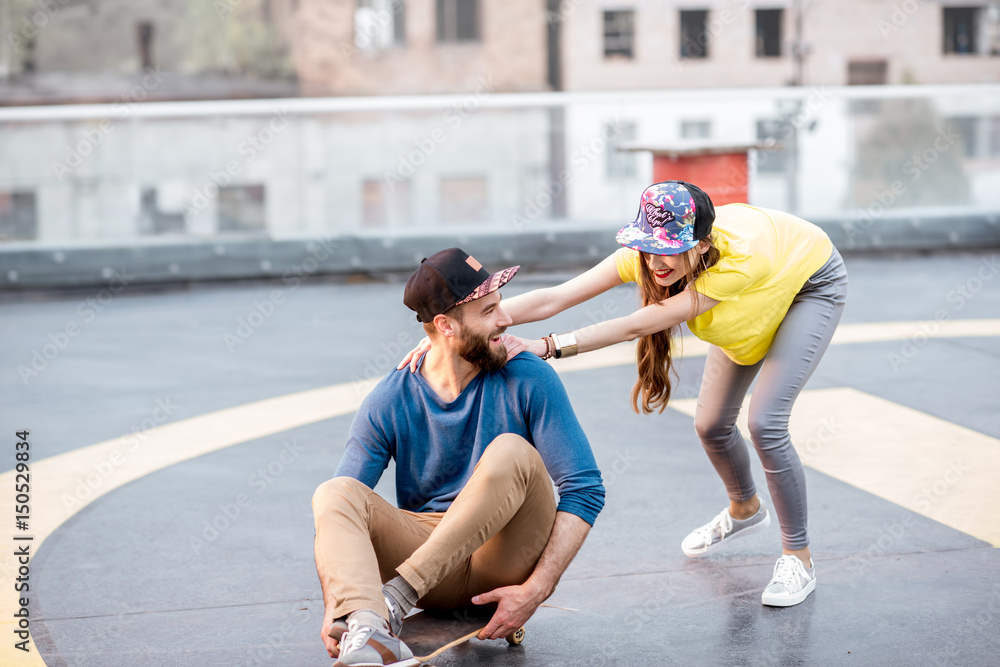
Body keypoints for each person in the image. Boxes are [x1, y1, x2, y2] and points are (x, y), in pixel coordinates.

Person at [401, 180, 848, 608]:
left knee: (765, 423)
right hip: (753, 293)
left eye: (670, 252)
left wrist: (549, 346)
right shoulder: (652, 251)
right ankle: (745, 509)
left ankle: (798, 558)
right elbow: (556, 297)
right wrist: (461, 327)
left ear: (702, 246)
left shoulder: (739, 265)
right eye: (649, 247)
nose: (656, 262)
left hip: (808, 284)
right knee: (711, 425)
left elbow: (638, 324)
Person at [314, 247, 605, 666]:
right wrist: (337, 604)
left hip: (503, 553)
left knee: (511, 450)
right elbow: (338, 524)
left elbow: (585, 490)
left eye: (500, 306)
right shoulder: (390, 399)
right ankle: (367, 625)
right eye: (488, 311)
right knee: (334, 493)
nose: (505, 320)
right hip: (433, 562)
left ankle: (392, 602)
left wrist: (536, 589)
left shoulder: (529, 375)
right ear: (445, 325)